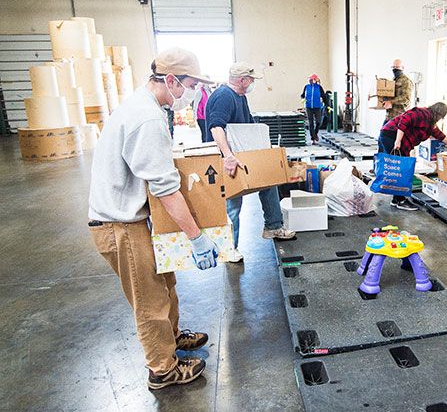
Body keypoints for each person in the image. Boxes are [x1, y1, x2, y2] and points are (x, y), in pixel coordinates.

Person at [88, 47, 219, 389]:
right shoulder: (146, 118)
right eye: (191, 85)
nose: (194, 94)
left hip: (132, 218)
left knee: (166, 284)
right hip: (120, 224)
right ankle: (163, 370)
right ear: (171, 80)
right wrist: (196, 236)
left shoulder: (145, 106)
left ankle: (173, 338)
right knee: (150, 300)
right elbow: (165, 188)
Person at [202, 62, 295, 263]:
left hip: (242, 152)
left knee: (268, 181)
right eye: (251, 79)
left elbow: (248, 125)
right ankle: (229, 248)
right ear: (242, 80)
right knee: (233, 203)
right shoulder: (224, 96)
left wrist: (264, 153)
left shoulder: (240, 97)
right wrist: (228, 157)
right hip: (227, 156)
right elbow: (216, 128)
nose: (253, 83)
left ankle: (273, 226)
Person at [378, 102, 447, 211]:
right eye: (440, 116)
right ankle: (400, 200)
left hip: (398, 140)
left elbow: (439, 135)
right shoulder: (421, 114)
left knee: (402, 168)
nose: (439, 119)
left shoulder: (430, 123)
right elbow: (403, 121)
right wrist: (398, 141)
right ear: (438, 113)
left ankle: (396, 199)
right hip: (391, 136)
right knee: (401, 169)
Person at [300, 74, 327, 143]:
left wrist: (326, 104)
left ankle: (315, 133)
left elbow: (323, 95)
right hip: (308, 107)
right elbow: (303, 94)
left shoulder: (319, 87)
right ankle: (313, 138)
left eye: (312, 79)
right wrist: (302, 97)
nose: (310, 81)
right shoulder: (306, 87)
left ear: (315, 80)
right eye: (310, 79)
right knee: (310, 123)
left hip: (317, 106)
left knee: (318, 121)